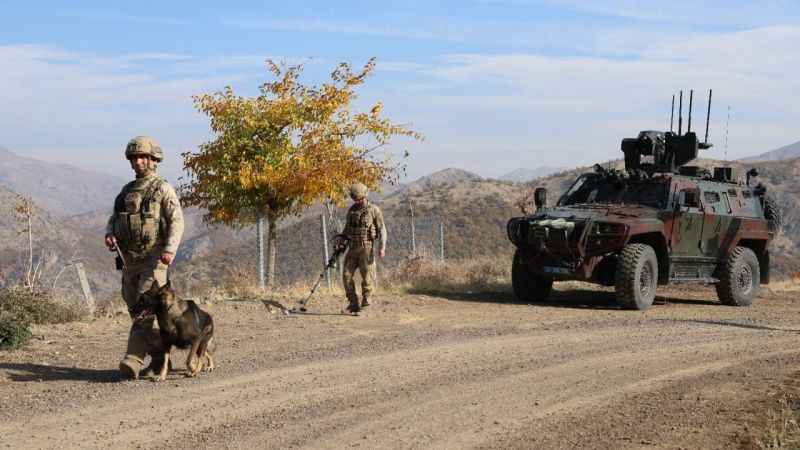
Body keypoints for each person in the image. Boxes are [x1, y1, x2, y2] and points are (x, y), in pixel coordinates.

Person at [105, 136, 184, 379]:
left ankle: (133, 359)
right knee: (134, 308)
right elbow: (115, 217)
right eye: (134, 157)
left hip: (155, 259)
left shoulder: (162, 188)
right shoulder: (126, 191)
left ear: (153, 159)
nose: (138, 161)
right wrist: (109, 233)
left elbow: (176, 221)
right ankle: (161, 357)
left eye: (143, 157)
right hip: (130, 259)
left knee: (144, 309)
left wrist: (169, 249)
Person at [340, 182, 387, 313]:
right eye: (355, 199)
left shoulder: (374, 210)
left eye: (359, 198)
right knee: (346, 275)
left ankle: (366, 304)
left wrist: (382, 247)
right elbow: (347, 229)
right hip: (352, 248)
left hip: (366, 248)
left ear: (365, 196)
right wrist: (341, 240)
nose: (357, 201)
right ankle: (353, 302)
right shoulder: (352, 210)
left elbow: (382, 229)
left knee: (367, 277)